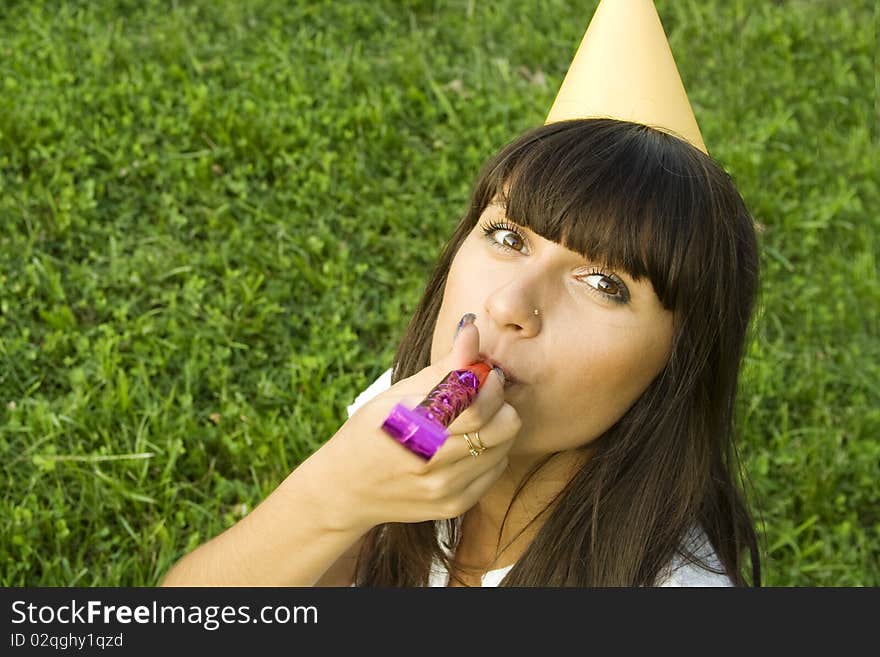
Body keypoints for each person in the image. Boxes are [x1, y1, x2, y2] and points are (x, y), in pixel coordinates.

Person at [160, 0, 762, 587]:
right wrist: (332, 496)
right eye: (508, 236)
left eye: (604, 283)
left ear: (682, 355)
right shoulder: (417, 410)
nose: (509, 305)